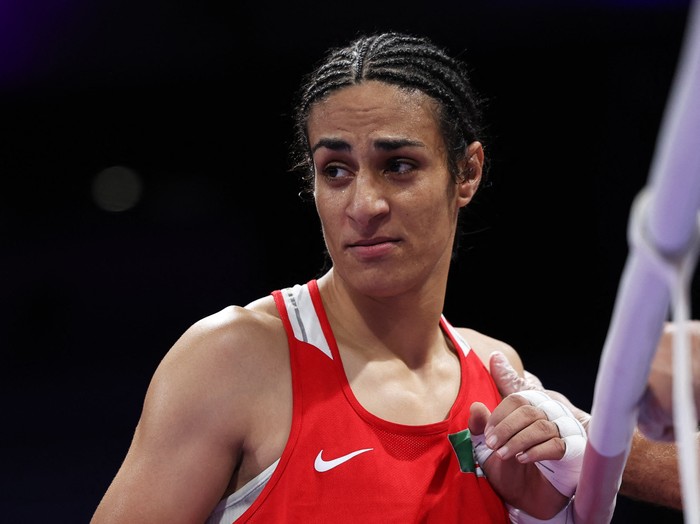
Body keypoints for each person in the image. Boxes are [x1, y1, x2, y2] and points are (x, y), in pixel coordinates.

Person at [90, 32, 588, 523]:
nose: (363, 206)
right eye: (335, 171)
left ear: (467, 172)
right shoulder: (232, 360)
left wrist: (548, 513)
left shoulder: (497, 374)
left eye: (398, 165)